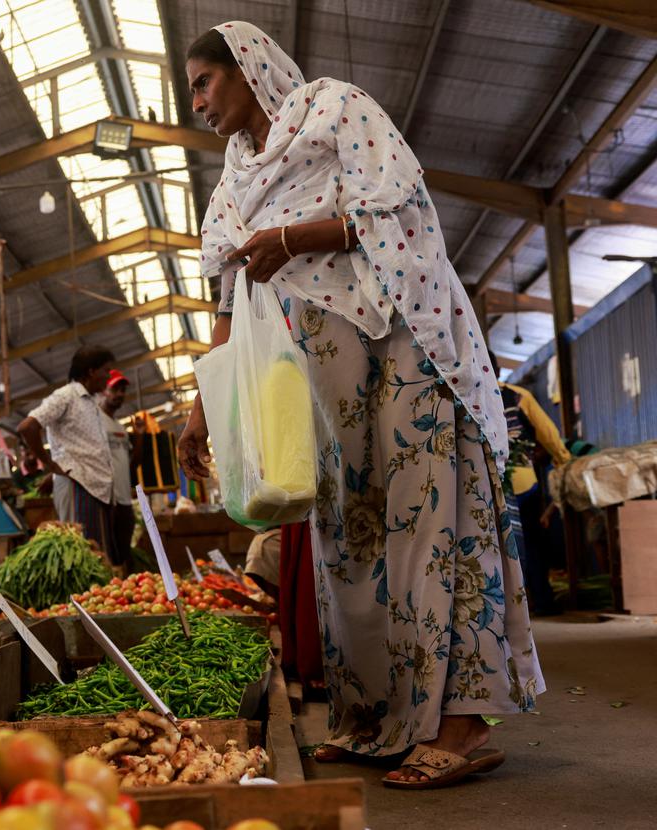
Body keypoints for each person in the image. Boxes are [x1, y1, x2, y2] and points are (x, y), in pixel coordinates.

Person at [177, 22, 542, 789]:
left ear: (247, 68)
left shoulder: (335, 109)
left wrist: (296, 235)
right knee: (350, 542)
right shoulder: (237, 178)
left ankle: (461, 721)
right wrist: (199, 409)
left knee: (428, 530)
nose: (197, 102)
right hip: (325, 388)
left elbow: (402, 211)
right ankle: (377, 717)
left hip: (402, 351)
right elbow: (231, 294)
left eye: (204, 82)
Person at [490, 351, 570, 615]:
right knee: (533, 544)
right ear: (499, 371)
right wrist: (563, 460)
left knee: (495, 547)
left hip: (486, 486)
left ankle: (503, 609)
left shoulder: (460, 394)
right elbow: (548, 432)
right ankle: (541, 602)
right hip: (523, 483)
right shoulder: (518, 395)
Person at [16, 346, 115, 553]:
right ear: (91, 371)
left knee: (95, 551)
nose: (108, 376)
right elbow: (28, 426)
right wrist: (49, 464)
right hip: (77, 482)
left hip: (95, 486)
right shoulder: (65, 396)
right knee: (79, 550)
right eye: (106, 370)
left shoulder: (91, 401)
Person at [99, 369, 143, 569]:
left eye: (123, 390)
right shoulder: (96, 421)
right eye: (115, 388)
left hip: (124, 499)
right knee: (109, 554)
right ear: (103, 390)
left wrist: (140, 436)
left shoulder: (120, 428)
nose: (120, 394)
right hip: (108, 500)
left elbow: (132, 466)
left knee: (124, 553)